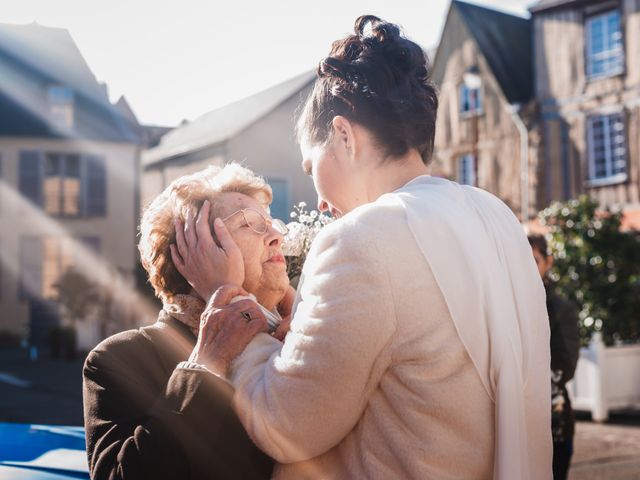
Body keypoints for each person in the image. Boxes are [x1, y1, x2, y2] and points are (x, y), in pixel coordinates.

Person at [176, 15, 552, 479]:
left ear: (344, 135)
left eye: (310, 163)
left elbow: (286, 425)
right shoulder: (495, 218)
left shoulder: (362, 239)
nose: (317, 199)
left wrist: (236, 309)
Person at [82, 163, 295, 479]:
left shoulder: (299, 335)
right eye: (251, 224)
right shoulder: (120, 359)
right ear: (192, 252)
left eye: (272, 223)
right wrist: (207, 366)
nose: (278, 235)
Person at [529, 234, 581, 480]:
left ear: (548, 261)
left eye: (534, 261)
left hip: (555, 422)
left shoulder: (561, 309)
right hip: (518, 421)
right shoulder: (510, 305)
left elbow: (566, 365)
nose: (528, 269)